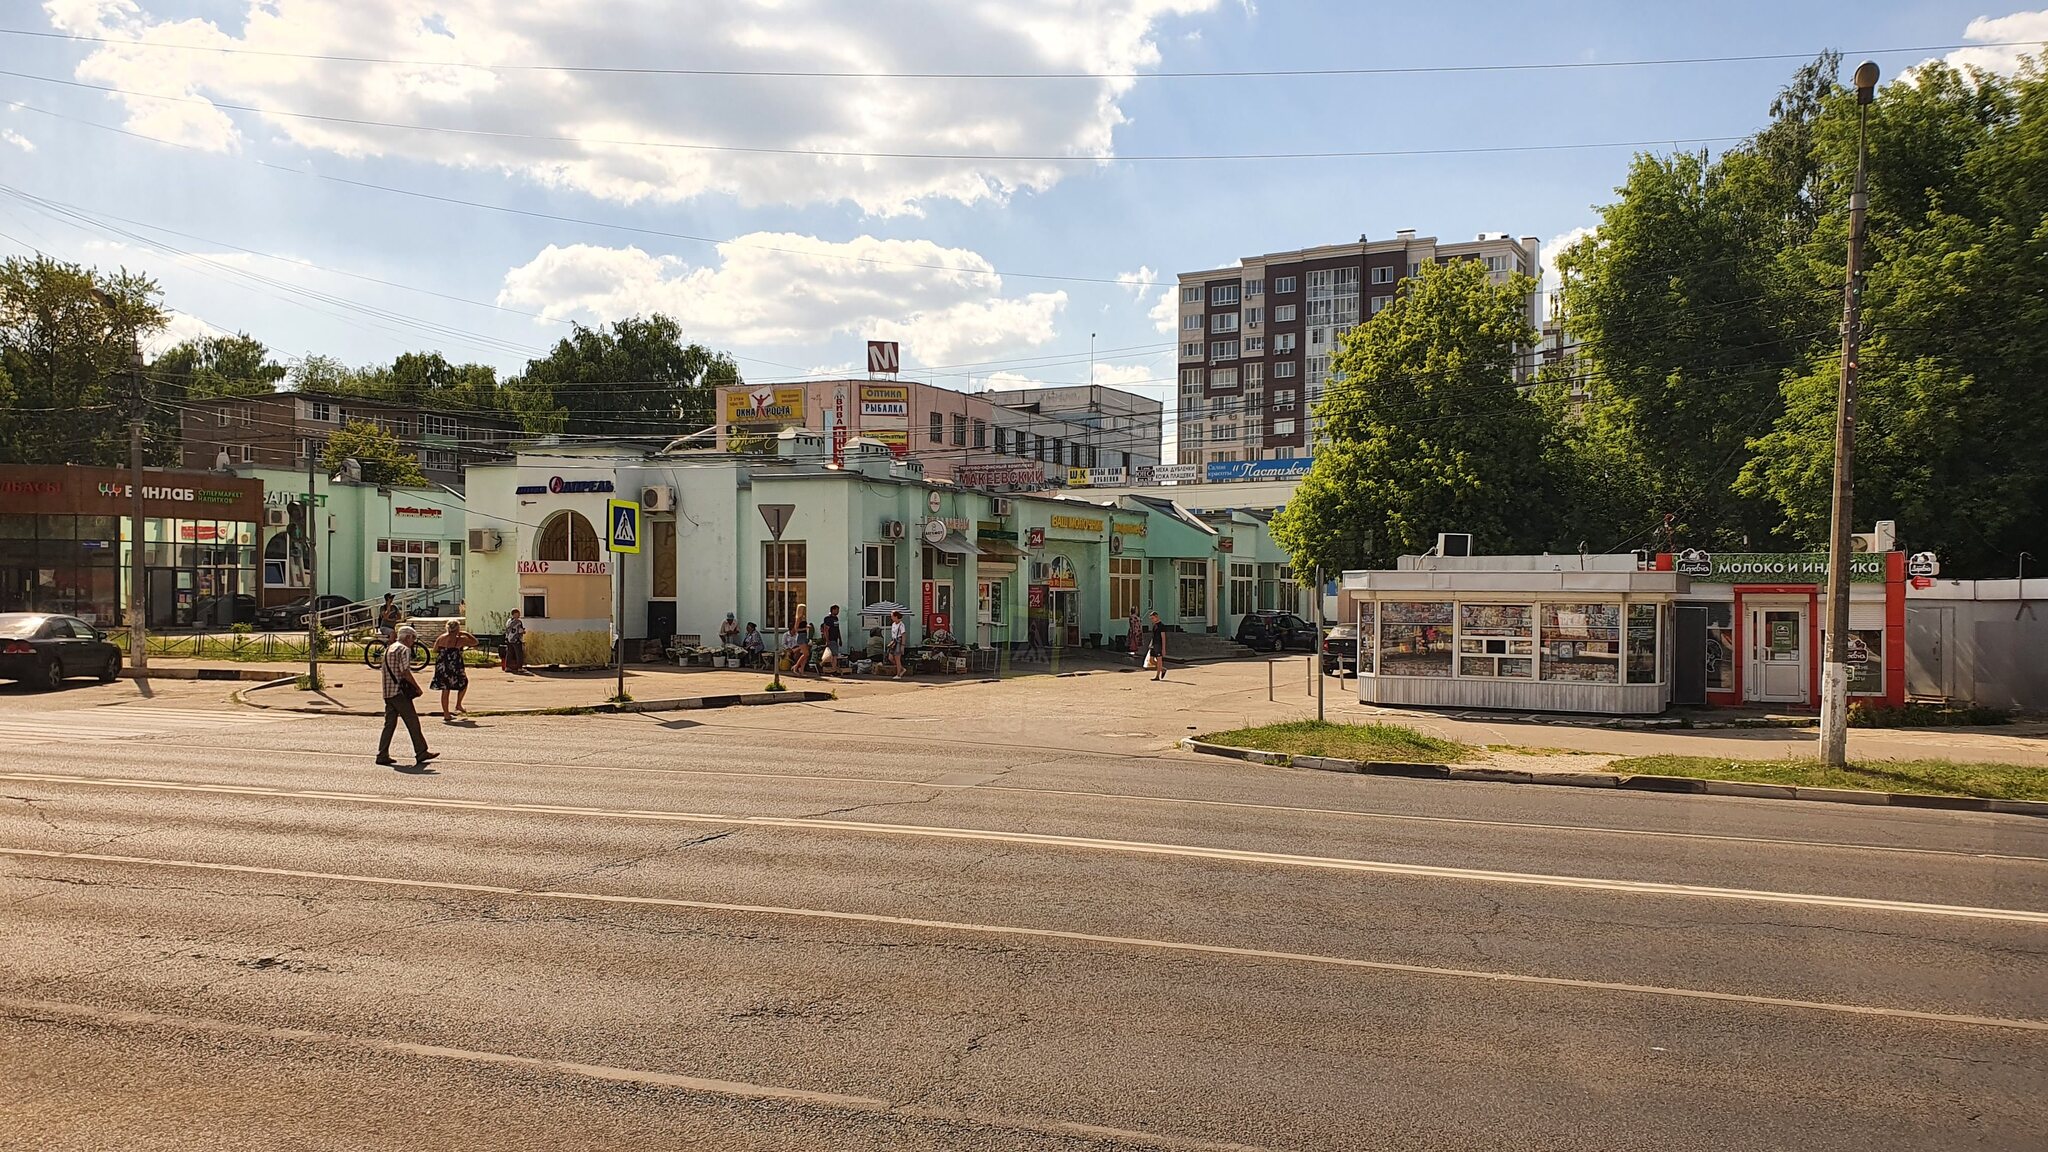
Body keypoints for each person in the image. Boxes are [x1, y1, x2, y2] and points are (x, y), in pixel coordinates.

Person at [377, 624, 437, 770]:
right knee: (412, 722)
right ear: (408, 637)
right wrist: (417, 687)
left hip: (387, 691)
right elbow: (405, 671)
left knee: (389, 724)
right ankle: (421, 751)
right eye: (413, 638)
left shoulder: (389, 648)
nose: (413, 642)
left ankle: (382, 754)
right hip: (399, 692)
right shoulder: (404, 649)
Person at [432, 618, 476, 720]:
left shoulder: (441, 638)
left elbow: (435, 650)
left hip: (442, 665)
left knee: (445, 689)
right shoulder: (459, 640)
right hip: (455, 665)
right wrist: (466, 634)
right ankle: (458, 704)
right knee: (463, 683)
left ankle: (446, 714)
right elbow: (475, 642)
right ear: (457, 629)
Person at [787, 605, 813, 674]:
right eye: (803, 609)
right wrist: (805, 628)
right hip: (801, 636)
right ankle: (796, 666)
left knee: (806, 654)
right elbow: (796, 629)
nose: (805, 610)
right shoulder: (799, 618)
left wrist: (807, 626)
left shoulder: (803, 617)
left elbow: (803, 626)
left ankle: (802, 669)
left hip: (804, 636)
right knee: (805, 654)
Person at [819, 604, 843, 674]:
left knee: (832, 655)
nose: (838, 611)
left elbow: (837, 629)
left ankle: (822, 664)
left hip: (835, 639)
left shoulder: (836, 619)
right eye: (836, 610)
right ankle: (834, 669)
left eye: (838, 610)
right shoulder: (828, 619)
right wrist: (827, 640)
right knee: (835, 655)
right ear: (832, 610)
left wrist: (840, 638)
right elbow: (826, 630)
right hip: (831, 639)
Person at [502, 609, 527, 674]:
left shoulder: (508, 621)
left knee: (509, 653)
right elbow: (519, 630)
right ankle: (520, 668)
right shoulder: (518, 622)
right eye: (518, 613)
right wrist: (523, 632)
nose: (519, 615)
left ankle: (507, 667)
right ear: (515, 614)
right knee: (519, 653)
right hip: (516, 639)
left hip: (509, 639)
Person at [1147, 610, 1168, 681]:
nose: (1152, 620)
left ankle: (1157, 676)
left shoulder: (1161, 626)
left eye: (1152, 618)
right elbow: (1153, 636)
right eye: (1151, 619)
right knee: (1151, 660)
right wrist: (1151, 644)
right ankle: (1163, 669)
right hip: (1153, 644)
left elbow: (1163, 637)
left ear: (1156, 617)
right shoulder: (1154, 626)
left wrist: (1163, 648)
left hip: (1159, 645)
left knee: (1159, 660)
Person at [887, 609, 907, 678]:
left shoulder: (901, 625)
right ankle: (902, 669)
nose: (891, 617)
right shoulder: (893, 624)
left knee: (897, 658)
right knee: (890, 657)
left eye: (892, 616)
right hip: (893, 641)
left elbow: (903, 635)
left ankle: (898, 674)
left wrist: (902, 645)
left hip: (899, 641)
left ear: (896, 616)